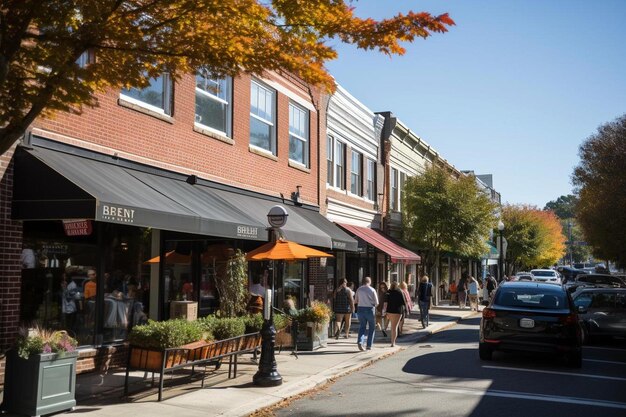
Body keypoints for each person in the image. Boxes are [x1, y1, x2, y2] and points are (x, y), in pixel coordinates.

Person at [355, 276, 378, 351]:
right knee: (372, 327)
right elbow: (376, 302)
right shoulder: (372, 290)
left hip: (360, 309)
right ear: (369, 282)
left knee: (362, 326)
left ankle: (360, 342)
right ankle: (369, 345)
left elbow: (355, 301)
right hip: (370, 309)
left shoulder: (359, 289)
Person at [382, 281, 407, 347]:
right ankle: (393, 343)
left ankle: (392, 341)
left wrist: (384, 311)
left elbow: (385, 303)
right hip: (398, 311)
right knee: (394, 327)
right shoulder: (400, 292)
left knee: (392, 327)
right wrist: (406, 310)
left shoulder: (388, 292)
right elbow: (404, 302)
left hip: (389, 311)